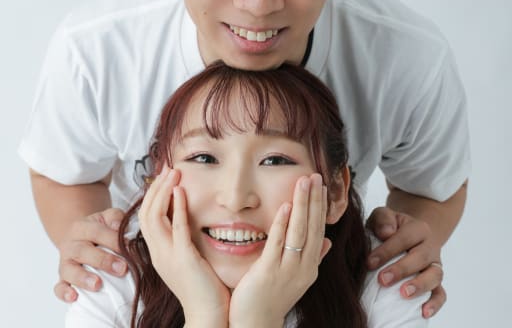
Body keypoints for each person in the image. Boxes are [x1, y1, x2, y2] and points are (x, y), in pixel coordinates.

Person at [20, 0, 470, 319]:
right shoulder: (97, 51)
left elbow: (433, 186)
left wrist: (401, 251)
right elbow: (64, 173)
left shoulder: (407, 60)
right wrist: (103, 261)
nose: (257, 0)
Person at [66, 62, 430, 327]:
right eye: (204, 158)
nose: (236, 197)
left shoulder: (384, 283)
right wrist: (204, 316)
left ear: (335, 191)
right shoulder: (113, 281)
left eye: (275, 160)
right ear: (156, 180)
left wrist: (258, 320)